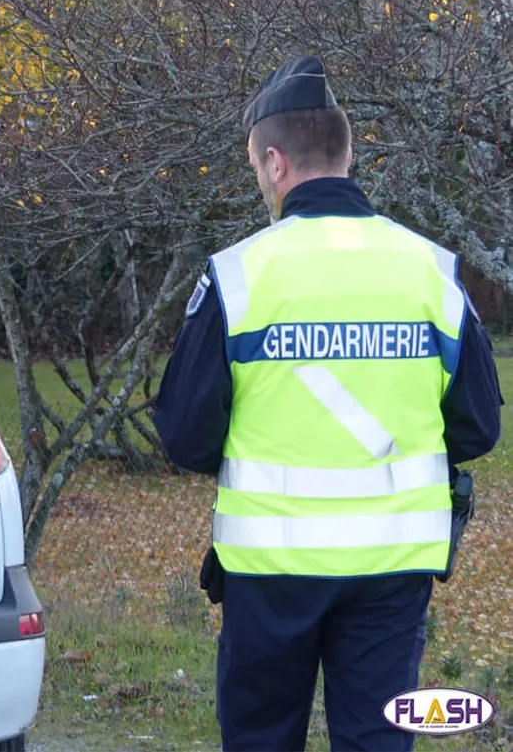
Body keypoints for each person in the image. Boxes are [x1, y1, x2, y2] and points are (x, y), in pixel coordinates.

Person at [152, 55, 504, 751]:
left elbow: (186, 436)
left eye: (257, 167)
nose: (260, 181)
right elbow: (478, 424)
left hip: (269, 573)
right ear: (347, 153)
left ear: (276, 162)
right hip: (392, 571)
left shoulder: (238, 276)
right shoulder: (430, 271)